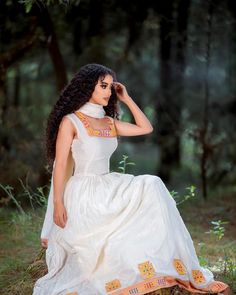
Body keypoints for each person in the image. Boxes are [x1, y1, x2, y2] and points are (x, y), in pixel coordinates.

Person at [33, 63, 229, 295]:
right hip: (85, 192)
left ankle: (166, 263)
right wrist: (58, 203)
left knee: (152, 184)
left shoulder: (109, 122)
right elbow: (62, 165)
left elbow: (146, 128)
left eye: (110, 87)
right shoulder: (71, 121)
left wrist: (126, 98)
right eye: (103, 86)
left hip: (108, 184)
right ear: (87, 88)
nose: (108, 92)